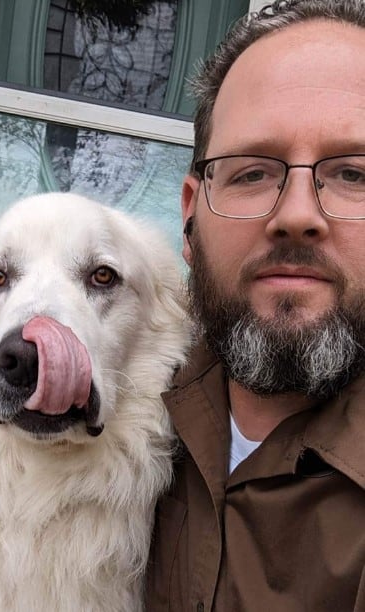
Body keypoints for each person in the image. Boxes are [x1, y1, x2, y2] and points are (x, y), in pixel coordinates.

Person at [144, 1, 365, 610]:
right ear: (191, 214)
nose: (297, 215)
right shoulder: (106, 408)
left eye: (353, 173)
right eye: (252, 173)